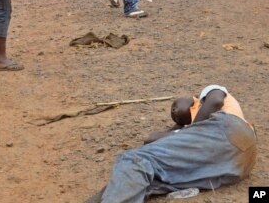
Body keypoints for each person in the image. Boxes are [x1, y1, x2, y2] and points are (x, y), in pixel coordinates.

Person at [88, 85, 257, 202]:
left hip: (226, 128)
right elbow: (150, 140)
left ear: (193, 98)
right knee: (152, 181)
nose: (174, 112)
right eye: (174, 117)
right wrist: (177, 129)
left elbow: (215, 101)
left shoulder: (207, 95)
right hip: (238, 165)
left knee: (135, 160)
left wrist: (185, 129)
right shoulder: (190, 137)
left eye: (174, 105)